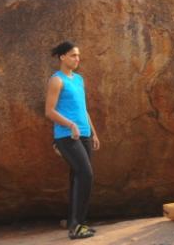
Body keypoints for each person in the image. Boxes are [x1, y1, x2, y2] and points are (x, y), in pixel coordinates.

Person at [45, 41, 102, 240]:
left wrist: (93, 133)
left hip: (84, 134)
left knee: (77, 177)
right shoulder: (56, 80)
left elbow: (83, 108)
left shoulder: (78, 79)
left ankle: (75, 221)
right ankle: (77, 226)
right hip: (66, 136)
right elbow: (49, 111)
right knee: (86, 174)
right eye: (72, 55)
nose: (77, 59)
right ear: (62, 57)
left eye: (78, 56)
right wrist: (70, 125)